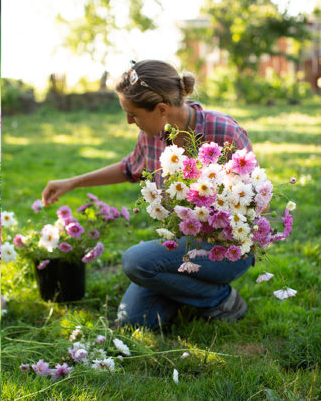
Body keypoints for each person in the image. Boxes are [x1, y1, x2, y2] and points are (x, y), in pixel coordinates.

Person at [41, 60, 253, 329]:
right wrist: (72, 182)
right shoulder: (153, 133)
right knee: (133, 320)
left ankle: (222, 298)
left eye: (133, 114)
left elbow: (255, 202)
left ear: (162, 109)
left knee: (135, 261)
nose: (129, 121)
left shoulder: (224, 131)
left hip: (226, 250)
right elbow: (130, 168)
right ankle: (189, 290)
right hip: (180, 249)